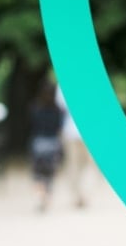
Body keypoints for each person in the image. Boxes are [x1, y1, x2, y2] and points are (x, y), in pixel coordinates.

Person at [55, 85, 95, 208]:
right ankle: (84, 194)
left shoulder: (62, 85)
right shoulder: (89, 84)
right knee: (89, 165)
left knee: (73, 165)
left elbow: (60, 107)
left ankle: (78, 195)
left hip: (70, 131)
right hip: (88, 131)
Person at [30, 81, 64, 212]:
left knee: (38, 174)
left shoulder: (35, 108)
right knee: (50, 174)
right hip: (52, 144)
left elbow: (32, 126)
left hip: (38, 143)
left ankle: (40, 195)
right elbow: (59, 129)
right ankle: (47, 196)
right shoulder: (58, 111)